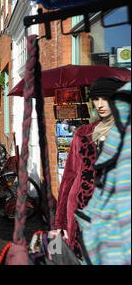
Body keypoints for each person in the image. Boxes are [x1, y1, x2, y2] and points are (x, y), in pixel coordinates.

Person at [55, 76, 126, 259]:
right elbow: (69, 178)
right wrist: (60, 222)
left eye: (106, 98)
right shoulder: (83, 133)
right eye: (96, 99)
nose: (100, 104)